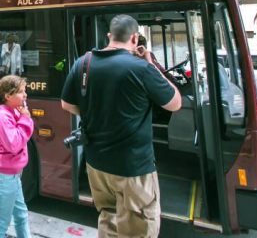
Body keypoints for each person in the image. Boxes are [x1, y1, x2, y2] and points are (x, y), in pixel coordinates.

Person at [60, 15, 182, 238]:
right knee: (138, 228)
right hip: (132, 167)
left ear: (109, 36)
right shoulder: (142, 69)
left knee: (109, 218)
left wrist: (95, 113)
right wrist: (150, 63)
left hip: (97, 165)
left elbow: (67, 104)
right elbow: (175, 103)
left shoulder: (83, 62)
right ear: (135, 38)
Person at [0, 75, 34, 238]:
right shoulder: (3, 116)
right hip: (4, 178)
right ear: (8, 96)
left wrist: (23, 116)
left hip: (11, 176)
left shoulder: (11, 111)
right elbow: (14, 143)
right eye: (21, 92)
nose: (25, 95)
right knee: (1, 224)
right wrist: (25, 118)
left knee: (21, 215)